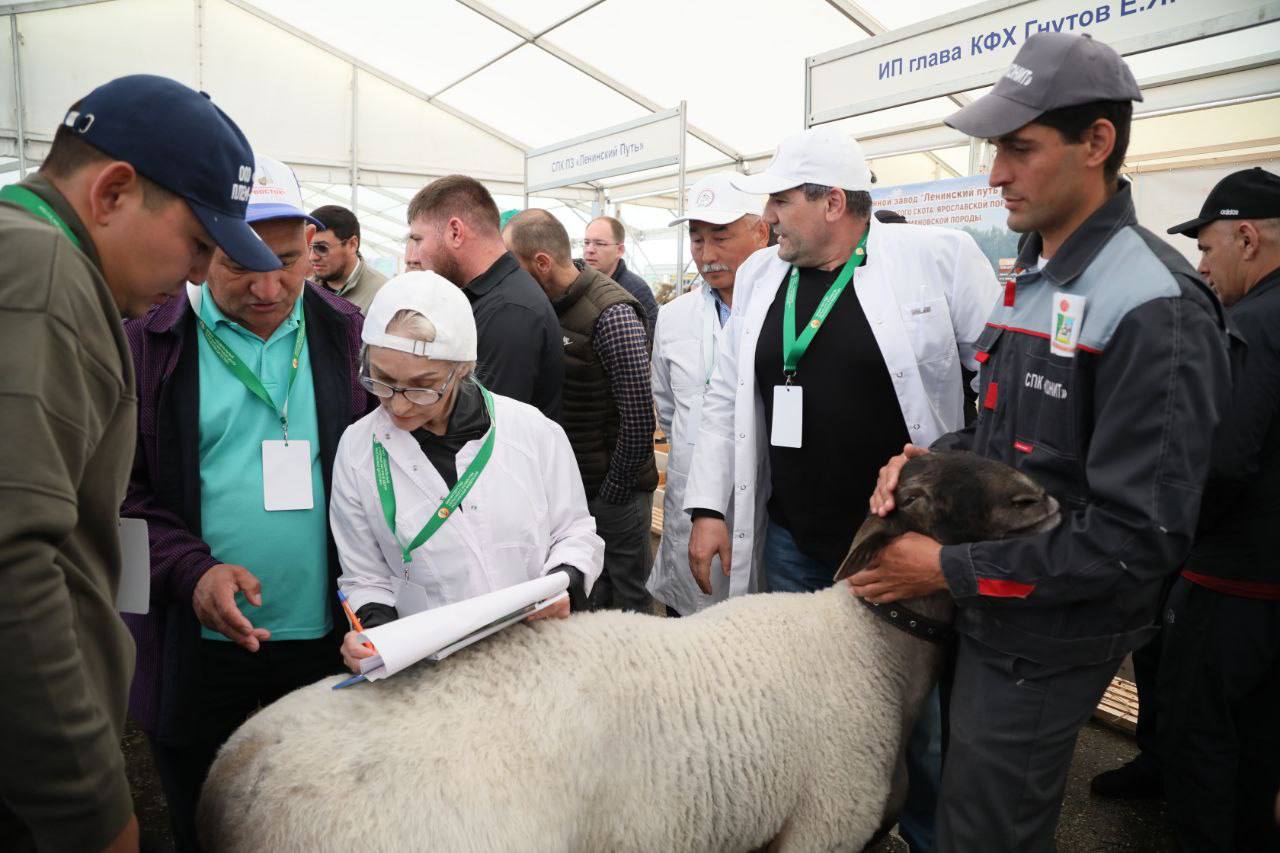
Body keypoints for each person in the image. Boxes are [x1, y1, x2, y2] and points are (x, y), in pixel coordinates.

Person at [862, 33, 1231, 853]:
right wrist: (929, 458)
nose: (995, 174)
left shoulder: (1154, 305)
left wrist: (946, 567)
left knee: (982, 832)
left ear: (1097, 143)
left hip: (1046, 635)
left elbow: (1138, 541)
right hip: (991, 611)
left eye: (1020, 150)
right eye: (998, 150)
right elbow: (999, 438)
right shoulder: (1033, 275)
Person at [681, 125, 998, 852]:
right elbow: (727, 392)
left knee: (908, 714)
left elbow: (997, 383)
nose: (770, 218)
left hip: (895, 547)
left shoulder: (937, 260)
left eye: (783, 201)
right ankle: (828, 826)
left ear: (832, 203)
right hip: (792, 536)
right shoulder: (765, 275)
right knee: (800, 702)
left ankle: (926, 834)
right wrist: (707, 507)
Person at [0, 74, 278, 853]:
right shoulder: (47, 275)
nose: (195, 272)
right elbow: (14, 560)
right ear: (114, 191)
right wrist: (90, 804)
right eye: (196, 242)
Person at [120, 154, 369, 850]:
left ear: (315, 246)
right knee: (205, 810)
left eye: (289, 260)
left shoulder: (343, 330)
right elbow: (119, 489)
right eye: (241, 264)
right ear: (200, 255)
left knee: (314, 805)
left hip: (322, 631)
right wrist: (193, 571)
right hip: (197, 640)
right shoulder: (147, 343)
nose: (268, 286)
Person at [331, 271, 603, 671]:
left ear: (462, 368)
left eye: (423, 386)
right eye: (383, 381)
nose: (400, 405)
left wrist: (567, 584)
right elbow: (365, 574)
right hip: (431, 667)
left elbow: (575, 532)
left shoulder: (532, 432)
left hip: (537, 650)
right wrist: (377, 635)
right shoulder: (357, 450)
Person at [1159, 167, 1280, 852]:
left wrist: (1171, 535)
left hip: (1229, 580)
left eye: (1206, 248)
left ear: (1246, 237)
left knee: (1199, 741)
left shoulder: (1251, 324)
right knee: (1260, 747)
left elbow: (1224, 458)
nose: (1202, 265)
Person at [504, 209, 659, 612]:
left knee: (625, 593)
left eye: (512, 263)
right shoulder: (543, 305)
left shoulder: (612, 313)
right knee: (584, 595)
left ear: (541, 262)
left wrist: (612, 493)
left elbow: (640, 416)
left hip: (611, 491)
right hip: (572, 488)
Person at [648, 173, 769, 616]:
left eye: (721, 237)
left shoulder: (781, 310)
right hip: (691, 502)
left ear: (761, 231)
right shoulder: (673, 318)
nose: (707, 254)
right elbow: (667, 405)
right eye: (697, 240)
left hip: (764, 504)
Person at [405, 175, 563, 419]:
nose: (415, 255)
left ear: (455, 232)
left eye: (418, 239)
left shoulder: (510, 311)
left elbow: (483, 426)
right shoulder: (485, 298)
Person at [584, 214, 660, 338]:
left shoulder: (636, 290)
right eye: (587, 242)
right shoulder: (578, 284)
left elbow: (651, 339)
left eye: (599, 243)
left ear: (619, 250)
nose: (589, 249)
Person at [308, 203, 388, 313]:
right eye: (308, 247)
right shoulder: (305, 289)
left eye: (322, 248)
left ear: (352, 245)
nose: (312, 257)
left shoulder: (382, 294)